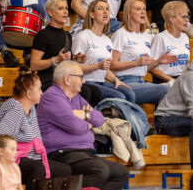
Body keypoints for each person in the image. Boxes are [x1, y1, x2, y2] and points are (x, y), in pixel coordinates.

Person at [37, 61, 130, 190]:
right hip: (62, 152)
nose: (84, 81)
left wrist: (85, 115)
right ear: (67, 79)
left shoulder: (76, 97)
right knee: (99, 171)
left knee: (121, 173)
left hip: (85, 153)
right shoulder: (52, 97)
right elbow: (75, 127)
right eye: (81, 77)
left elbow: (99, 119)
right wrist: (88, 123)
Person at [0, 67, 72, 190]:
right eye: (39, 89)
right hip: (8, 158)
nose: (42, 92)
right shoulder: (16, 109)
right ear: (29, 94)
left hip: (27, 158)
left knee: (65, 169)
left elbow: (36, 139)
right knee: (37, 168)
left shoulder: (31, 110)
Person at [30, 0, 101, 107]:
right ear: (51, 13)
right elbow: (34, 65)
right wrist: (55, 59)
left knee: (96, 92)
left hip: (64, 80)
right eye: (60, 9)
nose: (65, 12)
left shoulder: (67, 35)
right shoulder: (42, 35)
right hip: (48, 81)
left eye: (66, 8)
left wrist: (75, 59)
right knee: (85, 92)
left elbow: (65, 60)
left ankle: (84, 121)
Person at [110, 0, 176, 104]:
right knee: (165, 89)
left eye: (144, 9)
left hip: (141, 80)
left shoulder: (145, 35)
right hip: (126, 83)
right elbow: (112, 65)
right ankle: (162, 121)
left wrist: (158, 61)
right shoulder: (121, 34)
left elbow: (145, 67)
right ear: (129, 13)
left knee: (175, 89)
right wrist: (136, 63)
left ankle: (162, 120)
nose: (142, 12)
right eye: (138, 9)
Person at [72, 0, 133, 100]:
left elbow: (105, 69)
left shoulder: (107, 40)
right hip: (86, 82)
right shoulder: (83, 36)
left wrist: (115, 80)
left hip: (101, 82)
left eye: (107, 9)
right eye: (100, 9)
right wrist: (97, 66)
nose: (105, 12)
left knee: (129, 93)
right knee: (119, 96)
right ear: (92, 14)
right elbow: (74, 69)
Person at [150, 1, 190, 84]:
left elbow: (185, 64)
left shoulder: (185, 37)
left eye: (187, 17)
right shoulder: (160, 38)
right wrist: (171, 80)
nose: (187, 20)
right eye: (184, 17)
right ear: (172, 19)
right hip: (163, 81)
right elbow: (151, 67)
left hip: (180, 80)